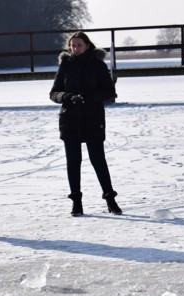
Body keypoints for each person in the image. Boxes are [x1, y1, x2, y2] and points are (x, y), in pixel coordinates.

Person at [49, 31, 122, 217]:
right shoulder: (65, 65)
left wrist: (90, 97)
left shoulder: (98, 65)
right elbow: (54, 93)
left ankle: (110, 199)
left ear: (87, 45)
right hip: (70, 118)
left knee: (98, 160)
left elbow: (110, 93)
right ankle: (76, 202)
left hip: (92, 118)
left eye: (79, 45)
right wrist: (66, 96)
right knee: (73, 162)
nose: (75, 48)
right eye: (72, 45)